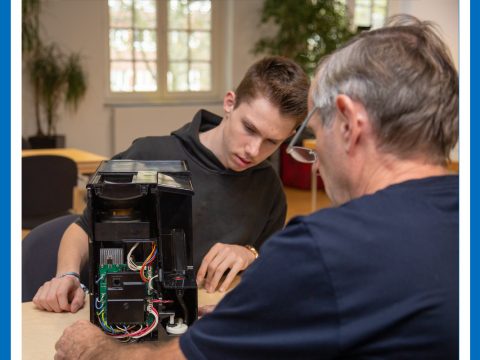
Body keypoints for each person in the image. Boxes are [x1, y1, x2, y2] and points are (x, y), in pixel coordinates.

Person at [54, 14, 459, 359]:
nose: (315, 162)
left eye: (314, 136)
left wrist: (97, 350)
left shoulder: (321, 249)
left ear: (349, 124)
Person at [33, 56, 310, 313]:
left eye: (271, 142)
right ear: (229, 103)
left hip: (204, 327)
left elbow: (268, 269)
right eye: (249, 128)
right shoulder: (148, 155)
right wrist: (66, 274)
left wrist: (249, 253)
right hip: (124, 319)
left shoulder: (269, 189)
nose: (253, 150)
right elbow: (83, 227)